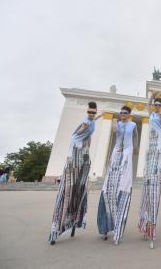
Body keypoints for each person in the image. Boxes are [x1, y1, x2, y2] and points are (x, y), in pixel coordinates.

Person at [49, 102, 103, 245]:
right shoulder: (85, 122)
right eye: (89, 112)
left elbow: (91, 125)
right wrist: (82, 130)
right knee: (68, 192)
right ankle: (57, 228)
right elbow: (75, 134)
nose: (91, 114)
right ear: (87, 112)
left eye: (93, 112)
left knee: (79, 191)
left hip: (84, 160)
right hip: (73, 160)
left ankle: (74, 222)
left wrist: (99, 117)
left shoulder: (92, 122)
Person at [97, 105, 139, 245]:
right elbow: (115, 131)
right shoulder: (118, 123)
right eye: (121, 112)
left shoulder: (133, 125)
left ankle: (118, 229)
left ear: (129, 114)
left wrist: (136, 148)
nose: (122, 114)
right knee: (107, 190)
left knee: (123, 190)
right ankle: (104, 228)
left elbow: (135, 138)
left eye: (125, 113)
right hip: (116, 155)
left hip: (127, 156)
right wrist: (115, 120)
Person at [138, 92, 161, 249]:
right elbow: (148, 106)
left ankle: (152, 230)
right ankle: (145, 225)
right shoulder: (151, 115)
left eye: (159, 104)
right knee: (146, 192)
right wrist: (152, 96)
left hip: (158, 157)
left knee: (154, 193)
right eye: (155, 104)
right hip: (149, 155)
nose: (156, 106)